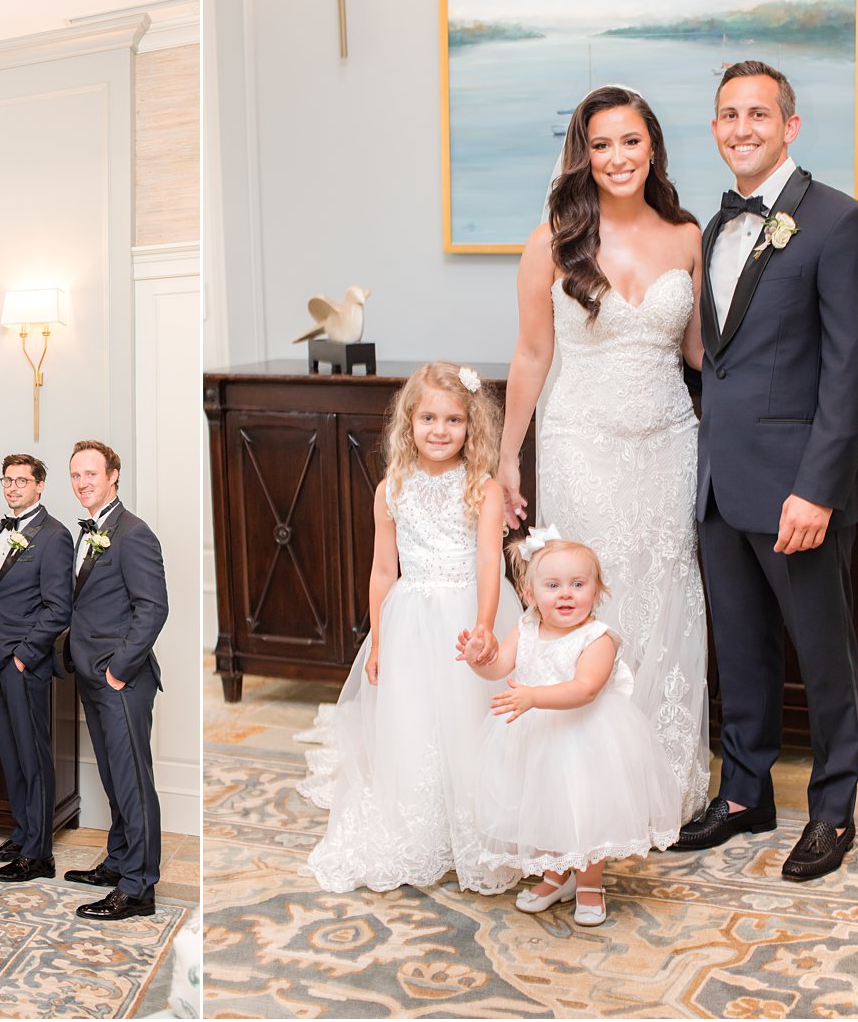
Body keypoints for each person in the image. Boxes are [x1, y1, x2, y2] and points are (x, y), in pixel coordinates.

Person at [673, 61, 858, 881]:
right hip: (721, 483)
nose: (741, 128)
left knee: (822, 651)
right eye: (727, 114)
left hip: (797, 486)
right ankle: (744, 792)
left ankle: (833, 809)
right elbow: (716, 361)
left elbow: (851, 369)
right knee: (741, 646)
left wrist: (818, 487)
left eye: (758, 113)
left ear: (790, 125)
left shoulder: (840, 223)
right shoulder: (711, 230)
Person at [497, 84, 710, 823]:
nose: (618, 157)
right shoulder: (551, 241)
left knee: (664, 598)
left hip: (668, 445)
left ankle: (661, 782)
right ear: (583, 155)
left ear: (652, 146)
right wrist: (506, 460)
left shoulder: (687, 236)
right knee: (588, 604)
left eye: (630, 141)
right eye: (601, 144)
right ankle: (588, 795)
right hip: (580, 444)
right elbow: (529, 356)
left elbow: (700, 353)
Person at [297, 362, 522, 894]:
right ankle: (421, 826)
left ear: (472, 428)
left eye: (453, 420)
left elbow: (491, 562)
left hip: (466, 616)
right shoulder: (390, 489)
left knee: (470, 718)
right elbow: (382, 570)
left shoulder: (483, 490)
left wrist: (485, 627)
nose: (440, 430)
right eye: (428, 418)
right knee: (414, 720)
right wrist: (377, 640)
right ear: (409, 422)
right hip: (409, 620)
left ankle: (475, 824)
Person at [465, 531, 682, 926]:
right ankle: (555, 875)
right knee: (544, 807)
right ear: (530, 595)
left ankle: (588, 883)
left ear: (597, 592)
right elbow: (499, 668)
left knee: (586, 810)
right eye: (552, 585)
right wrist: (478, 660)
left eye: (578, 585)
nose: (565, 594)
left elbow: (585, 690)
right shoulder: (527, 627)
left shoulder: (598, 639)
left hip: (585, 740)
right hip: (536, 739)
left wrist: (532, 697)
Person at [62, 440, 168, 920]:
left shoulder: (133, 533)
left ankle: (139, 888)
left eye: (91, 474)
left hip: (121, 680)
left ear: (113, 475)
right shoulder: (89, 532)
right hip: (91, 675)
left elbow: (153, 609)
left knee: (133, 783)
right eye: (76, 475)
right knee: (112, 776)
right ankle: (120, 860)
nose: (82, 483)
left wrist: (118, 671)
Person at [0, 454, 73, 882]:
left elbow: (58, 609)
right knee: (11, 754)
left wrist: (23, 654)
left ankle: (39, 854)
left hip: (21, 662)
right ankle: (22, 833)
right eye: (8, 480)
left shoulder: (54, 536)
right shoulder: (3, 528)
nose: (13, 488)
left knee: (33, 756)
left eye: (22, 481)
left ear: (40, 486)